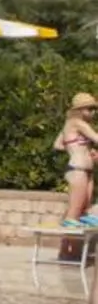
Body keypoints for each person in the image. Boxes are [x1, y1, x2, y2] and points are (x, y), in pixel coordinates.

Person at [56, 93, 98, 229]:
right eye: (89, 109)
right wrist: (77, 152)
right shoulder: (77, 123)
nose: (93, 112)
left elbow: (57, 145)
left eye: (94, 109)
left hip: (87, 171)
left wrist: (78, 147)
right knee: (73, 216)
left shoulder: (69, 125)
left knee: (84, 212)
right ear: (79, 110)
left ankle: (75, 249)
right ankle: (68, 249)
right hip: (78, 170)